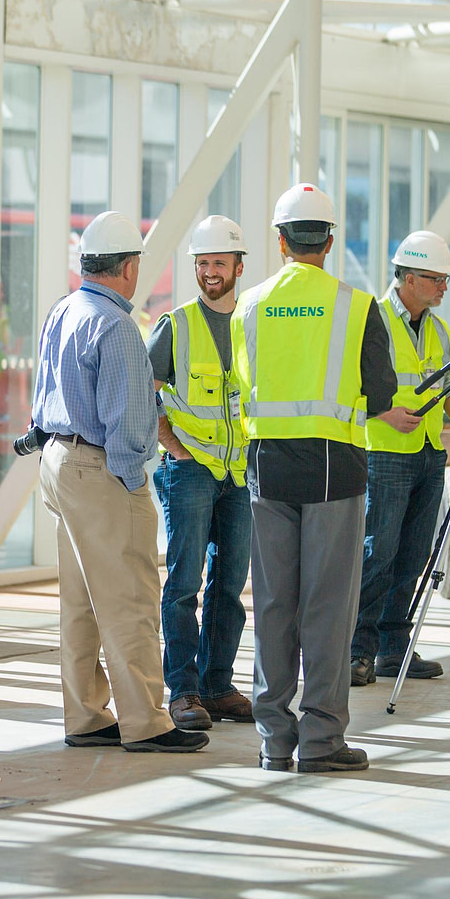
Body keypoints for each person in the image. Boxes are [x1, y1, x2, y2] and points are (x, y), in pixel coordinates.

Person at [31, 210, 209, 754]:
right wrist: (133, 483)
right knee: (130, 599)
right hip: (101, 471)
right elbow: (128, 423)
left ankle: (86, 715)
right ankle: (146, 722)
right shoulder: (117, 326)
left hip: (58, 460)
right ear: (129, 267)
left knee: (81, 602)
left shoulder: (64, 310)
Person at [234, 183, 397, 773]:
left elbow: (243, 383)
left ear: (281, 241)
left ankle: (275, 742)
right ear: (329, 241)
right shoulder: (358, 306)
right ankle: (322, 739)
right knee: (327, 608)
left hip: (267, 468)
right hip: (335, 469)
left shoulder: (249, 306)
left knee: (274, 604)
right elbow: (381, 394)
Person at [351, 231, 450, 687]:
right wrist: (385, 413)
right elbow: (349, 385)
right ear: (408, 278)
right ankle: (357, 651)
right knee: (378, 553)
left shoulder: (440, 330)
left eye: (446, 279)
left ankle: (394, 648)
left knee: (413, 556)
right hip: (385, 453)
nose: (444, 286)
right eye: (436, 278)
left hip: (428, 454)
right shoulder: (373, 320)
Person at [145, 215, 254, 731]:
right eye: (203, 263)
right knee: (185, 583)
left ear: (238, 266)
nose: (210, 271)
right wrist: (175, 448)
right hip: (189, 471)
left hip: (240, 473)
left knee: (229, 587)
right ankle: (183, 691)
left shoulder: (253, 323)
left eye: (219, 263)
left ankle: (217, 685)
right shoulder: (177, 325)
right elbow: (143, 396)